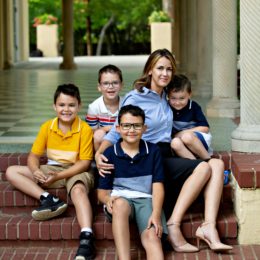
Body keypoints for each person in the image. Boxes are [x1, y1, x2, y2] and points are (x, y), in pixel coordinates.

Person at [95, 49, 233, 253]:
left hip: (167, 154)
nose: (165, 73)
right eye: (160, 68)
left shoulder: (168, 96)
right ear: (150, 70)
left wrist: (183, 135)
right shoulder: (135, 98)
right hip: (148, 158)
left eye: (169, 69)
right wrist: (100, 153)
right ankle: (174, 226)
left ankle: (208, 227)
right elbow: (118, 130)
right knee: (204, 168)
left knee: (217, 164)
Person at [6, 84, 96, 260]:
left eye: (71, 105)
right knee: (11, 171)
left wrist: (59, 176)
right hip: (51, 170)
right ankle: (49, 200)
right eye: (62, 105)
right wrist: (35, 170)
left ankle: (87, 237)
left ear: (79, 106)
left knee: (78, 190)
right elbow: (33, 156)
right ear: (54, 106)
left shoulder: (84, 129)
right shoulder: (47, 127)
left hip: (75, 170)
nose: (66, 109)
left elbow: (85, 163)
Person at [97, 104, 167, 260]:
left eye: (136, 125)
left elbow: (157, 188)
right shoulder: (110, 153)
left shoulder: (153, 151)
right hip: (121, 203)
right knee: (120, 204)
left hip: (146, 201)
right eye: (126, 125)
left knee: (152, 238)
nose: (131, 130)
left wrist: (155, 214)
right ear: (118, 128)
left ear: (144, 128)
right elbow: (102, 193)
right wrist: (108, 199)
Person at [167, 74, 213, 160]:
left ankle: (207, 159)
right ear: (168, 96)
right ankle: (198, 164)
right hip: (181, 145)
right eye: (173, 98)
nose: (177, 102)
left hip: (197, 141)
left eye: (182, 98)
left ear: (189, 94)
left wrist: (181, 133)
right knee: (175, 143)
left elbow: (205, 128)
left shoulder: (194, 107)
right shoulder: (167, 107)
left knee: (187, 137)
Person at [85, 64, 123, 151]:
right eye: (106, 83)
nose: (111, 87)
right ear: (99, 87)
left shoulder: (126, 104)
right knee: (98, 135)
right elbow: (91, 132)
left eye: (115, 83)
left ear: (121, 85)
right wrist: (108, 128)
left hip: (122, 137)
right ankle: (99, 159)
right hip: (102, 142)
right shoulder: (94, 107)